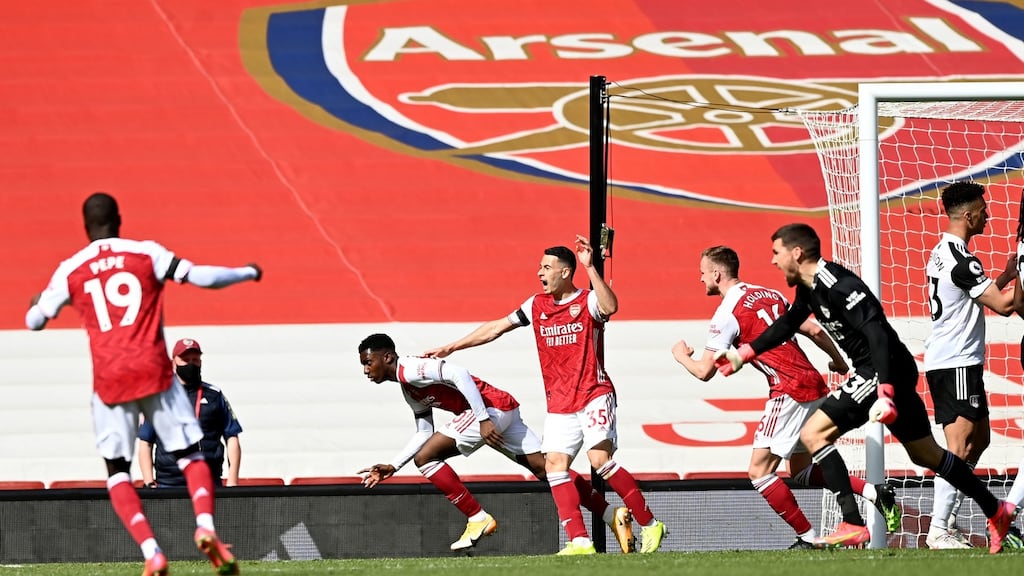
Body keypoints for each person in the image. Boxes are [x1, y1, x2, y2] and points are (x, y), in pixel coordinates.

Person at [714, 223, 1017, 553]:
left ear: (796, 253)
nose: (773, 261)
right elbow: (787, 323)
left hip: (879, 371)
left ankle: (853, 523)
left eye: (776, 253)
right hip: (889, 372)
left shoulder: (838, 283)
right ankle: (996, 510)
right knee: (927, 454)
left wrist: (884, 389)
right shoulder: (808, 286)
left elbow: (876, 332)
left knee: (814, 435)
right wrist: (745, 353)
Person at [24, 192, 259, 576]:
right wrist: (247, 272)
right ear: (119, 218)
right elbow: (199, 276)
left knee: (118, 470)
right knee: (191, 455)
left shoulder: (72, 268)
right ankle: (205, 528)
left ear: (85, 227)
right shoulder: (145, 253)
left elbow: (34, 321)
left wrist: (39, 304)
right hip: (153, 370)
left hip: (110, 380)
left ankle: (152, 551)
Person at [424, 235, 667, 555]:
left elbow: (611, 306)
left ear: (566, 272)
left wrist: (591, 267)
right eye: (540, 267)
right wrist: (452, 346)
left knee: (600, 460)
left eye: (547, 268)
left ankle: (651, 525)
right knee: (554, 465)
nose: (540, 273)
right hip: (560, 403)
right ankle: (580, 541)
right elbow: (496, 327)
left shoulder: (587, 301)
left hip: (593, 393)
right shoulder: (535, 305)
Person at [672, 245, 901, 549]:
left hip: (788, 389)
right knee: (802, 470)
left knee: (758, 472)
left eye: (702, 273)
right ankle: (874, 493)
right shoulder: (769, 294)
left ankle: (808, 538)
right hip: (812, 382)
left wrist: (680, 357)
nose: (700, 279)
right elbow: (814, 330)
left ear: (716, 273)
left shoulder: (726, 313)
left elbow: (704, 371)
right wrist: (839, 361)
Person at [355, 333, 636, 553]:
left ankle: (477, 518)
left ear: (388, 357)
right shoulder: (409, 390)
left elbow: (459, 374)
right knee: (547, 469)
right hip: (501, 408)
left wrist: (482, 419)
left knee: (425, 459)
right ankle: (611, 513)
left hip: (488, 412)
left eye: (369, 362)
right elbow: (423, 431)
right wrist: (393, 465)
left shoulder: (411, 368)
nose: (366, 370)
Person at [923, 181, 1016, 549]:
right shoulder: (962, 260)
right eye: (983, 209)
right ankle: (939, 528)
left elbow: (975, 294)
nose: (987, 214)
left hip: (961, 361)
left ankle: (949, 522)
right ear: (968, 214)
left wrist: (1007, 275)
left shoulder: (945, 252)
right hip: (955, 362)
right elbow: (1005, 306)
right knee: (958, 448)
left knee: (980, 440)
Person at [139, 338, 244, 489]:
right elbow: (145, 442)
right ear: (173, 362)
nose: (191, 364)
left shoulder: (214, 395)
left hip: (208, 481)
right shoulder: (160, 397)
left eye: (195, 359)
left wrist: (233, 480)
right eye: (185, 359)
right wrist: (149, 482)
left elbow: (232, 437)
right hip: (169, 484)